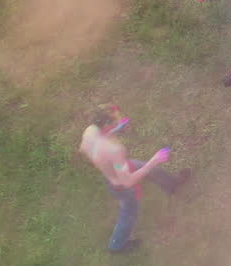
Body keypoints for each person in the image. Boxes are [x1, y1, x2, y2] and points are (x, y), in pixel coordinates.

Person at [79, 104, 190, 253]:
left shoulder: (90, 132)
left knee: (150, 171)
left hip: (114, 170)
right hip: (121, 185)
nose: (119, 120)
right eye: (116, 120)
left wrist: (115, 130)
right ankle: (117, 245)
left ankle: (172, 184)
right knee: (129, 213)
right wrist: (154, 160)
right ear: (105, 124)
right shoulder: (114, 151)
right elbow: (128, 181)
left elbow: (85, 148)